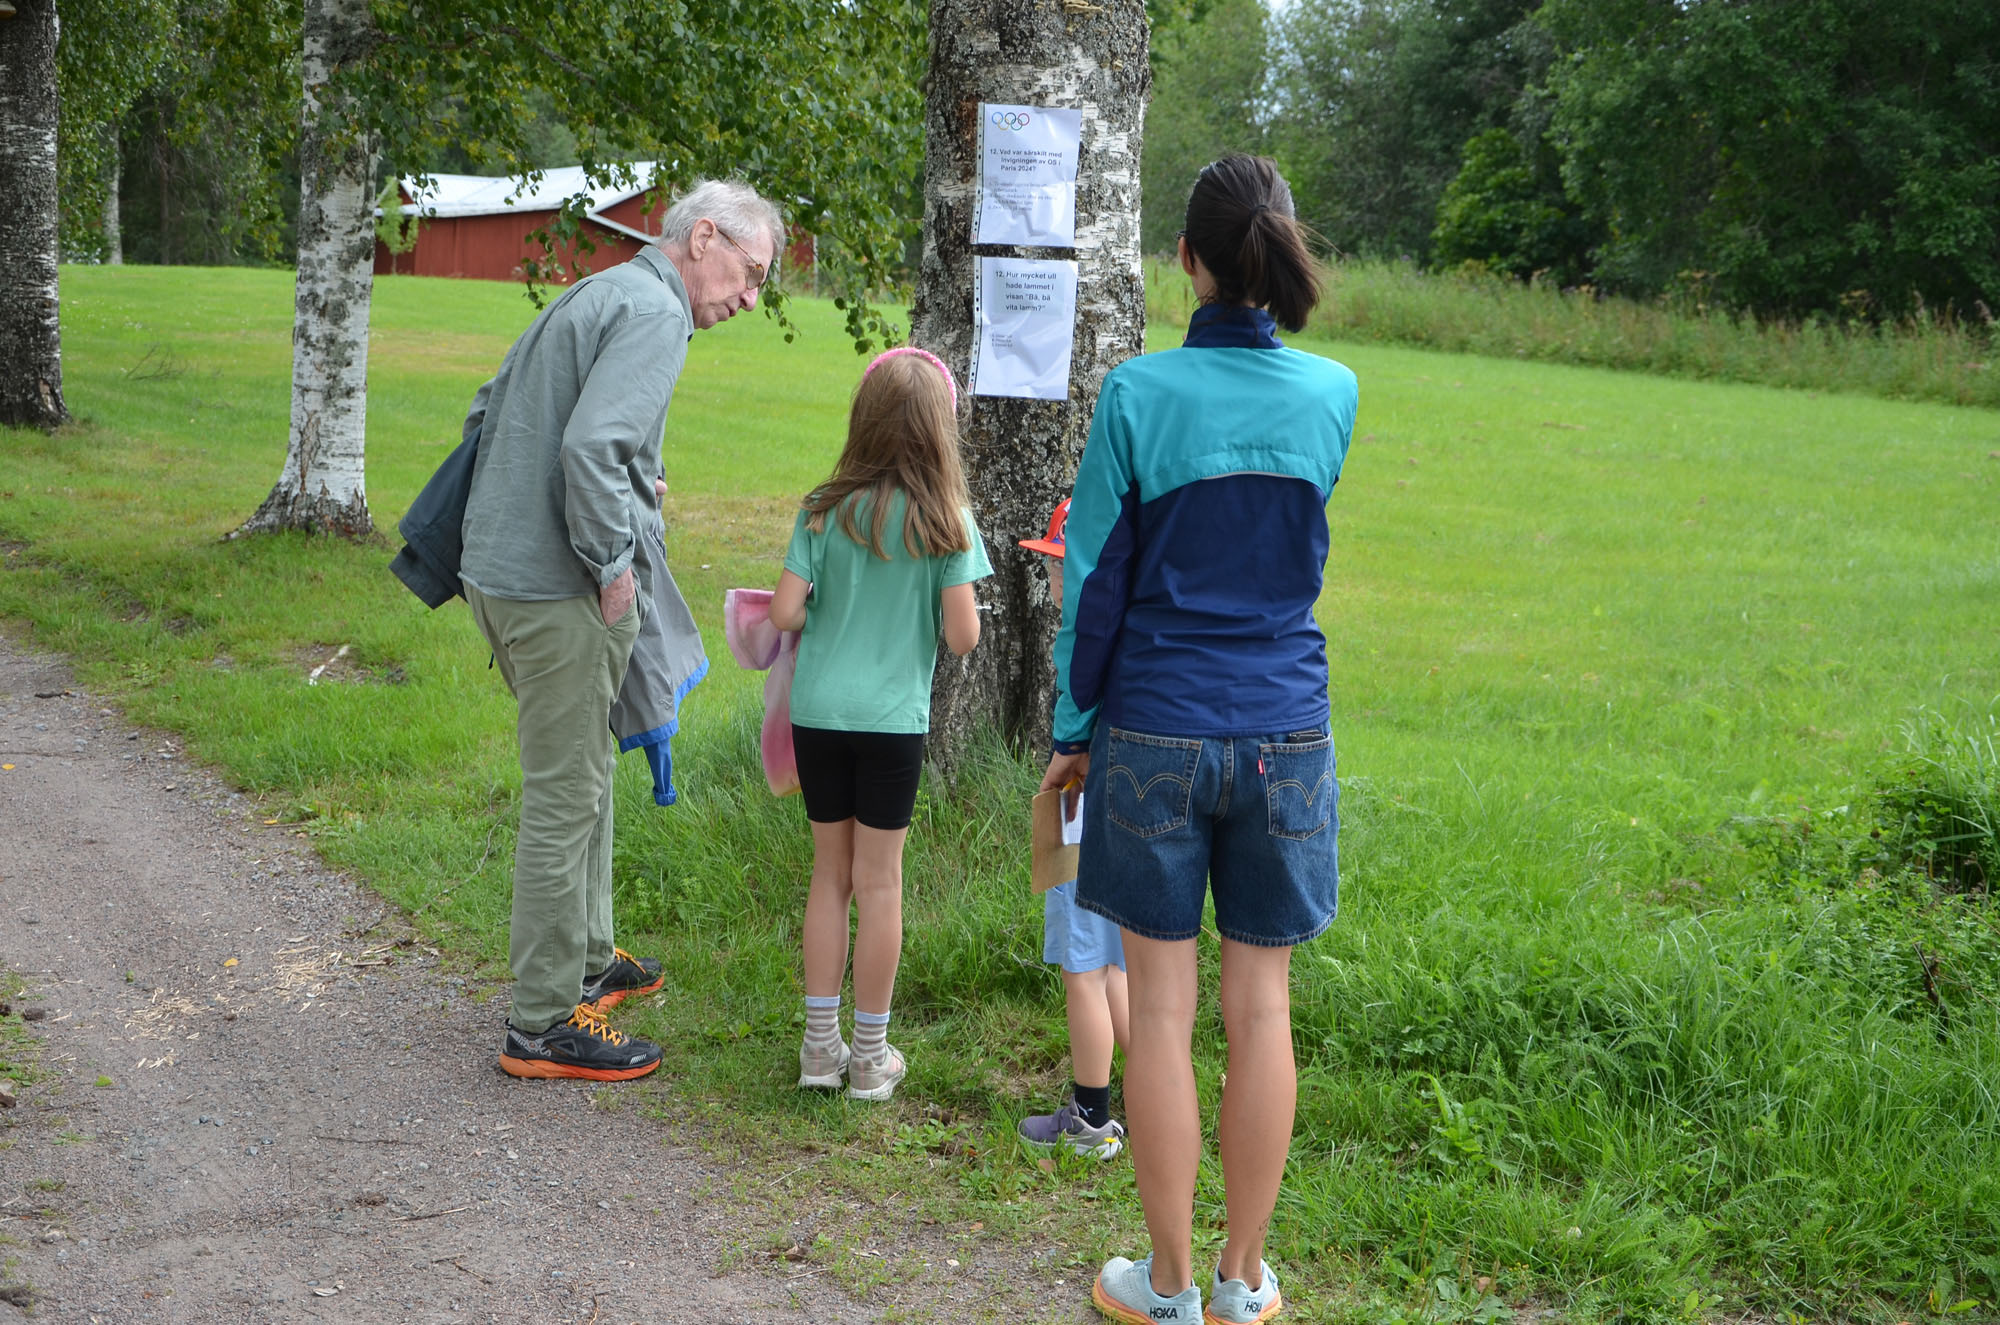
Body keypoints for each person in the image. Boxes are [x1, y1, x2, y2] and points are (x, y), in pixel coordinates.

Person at [1040, 155, 1359, 1324]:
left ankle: (1166, 1283)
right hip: (1285, 728)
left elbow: (1094, 581)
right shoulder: (1333, 391)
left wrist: (1074, 731)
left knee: (1161, 1010)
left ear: (1184, 257)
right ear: (1276, 250)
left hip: (1155, 728)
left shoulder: (1135, 393)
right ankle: (1242, 1276)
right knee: (1260, 1006)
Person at [459, 178, 784, 1082]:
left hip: (502, 570)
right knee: (566, 793)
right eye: (751, 274)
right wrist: (610, 567)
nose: (751, 298)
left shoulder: (606, 288)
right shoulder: (656, 312)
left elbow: (495, 411)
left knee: (588, 769)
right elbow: (588, 449)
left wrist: (639, 478)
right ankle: (540, 1024)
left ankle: (591, 961)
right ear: (704, 237)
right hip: (555, 588)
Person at [768, 346, 992, 1102]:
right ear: (939, 429)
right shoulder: (948, 519)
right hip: (893, 722)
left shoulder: (823, 509)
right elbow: (962, 639)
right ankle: (869, 1057)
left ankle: (816, 1049)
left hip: (819, 714)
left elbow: (784, 612)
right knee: (880, 882)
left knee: (828, 877)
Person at [1016, 499, 1130, 1159]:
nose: (1053, 579)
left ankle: (1090, 1120)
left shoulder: (1079, 638)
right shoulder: (1130, 630)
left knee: (1081, 965)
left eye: (1061, 563)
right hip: (1129, 802)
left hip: (1078, 799)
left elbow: (1071, 739)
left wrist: (1052, 792)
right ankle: (1146, 1101)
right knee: (1115, 958)